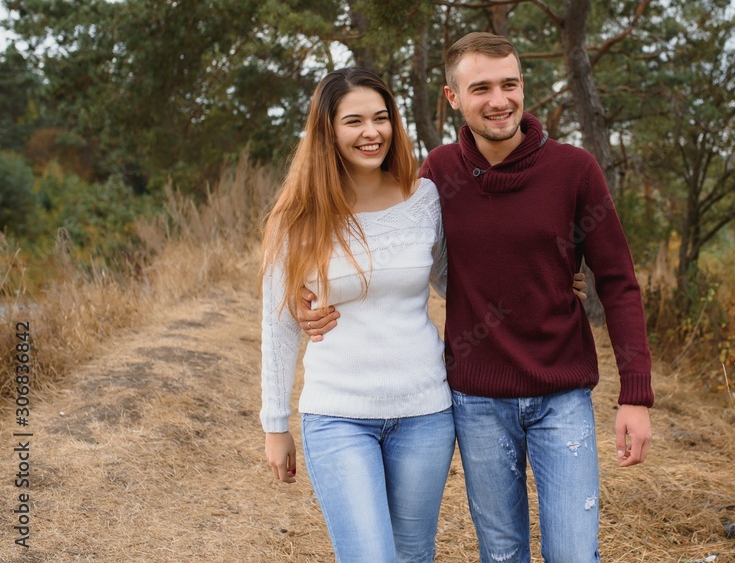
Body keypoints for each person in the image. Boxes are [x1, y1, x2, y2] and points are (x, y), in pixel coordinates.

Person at [300, 32, 654, 562]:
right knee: (503, 554)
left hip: (563, 396)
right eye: (481, 87)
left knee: (575, 554)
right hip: (477, 400)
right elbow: (403, 253)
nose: (499, 100)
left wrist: (635, 395)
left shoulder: (573, 170)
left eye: (510, 84)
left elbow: (620, 282)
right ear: (453, 97)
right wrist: (311, 295)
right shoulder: (438, 176)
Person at [259, 68, 455, 563]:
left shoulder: (424, 198)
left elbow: (458, 283)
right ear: (328, 130)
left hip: (425, 412)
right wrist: (275, 424)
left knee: (413, 555)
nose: (372, 132)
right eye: (354, 121)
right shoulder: (298, 215)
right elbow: (279, 325)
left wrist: (546, 280)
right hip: (339, 413)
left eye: (381, 118)